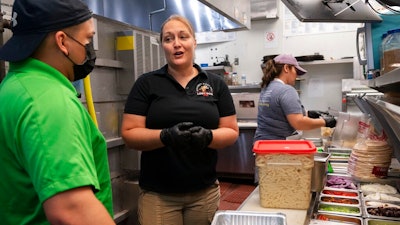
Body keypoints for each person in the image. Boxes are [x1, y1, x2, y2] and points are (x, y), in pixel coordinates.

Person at [0, 0, 115, 224]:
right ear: (62, 41)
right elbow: (72, 211)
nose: (89, 49)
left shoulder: (14, 87)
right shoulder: (48, 101)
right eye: (87, 39)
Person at [121, 15, 239, 225]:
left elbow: (230, 131)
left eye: (183, 37)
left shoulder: (216, 84)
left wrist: (208, 136)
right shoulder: (146, 84)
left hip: (204, 192)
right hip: (158, 195)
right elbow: (130, 133)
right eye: (168, 39)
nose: (176, 44)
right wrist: (165, 136)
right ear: (162, 45)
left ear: (194, 41)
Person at [254, 54, 336, 141]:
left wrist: (309, 113)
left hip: (261, 145)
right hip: (277, 147)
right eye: (295, 70)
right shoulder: (286, 90)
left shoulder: (267, 88)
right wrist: (325, 122)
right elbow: (299, 123)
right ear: (286, 68)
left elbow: (280, 112)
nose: (297, 75)